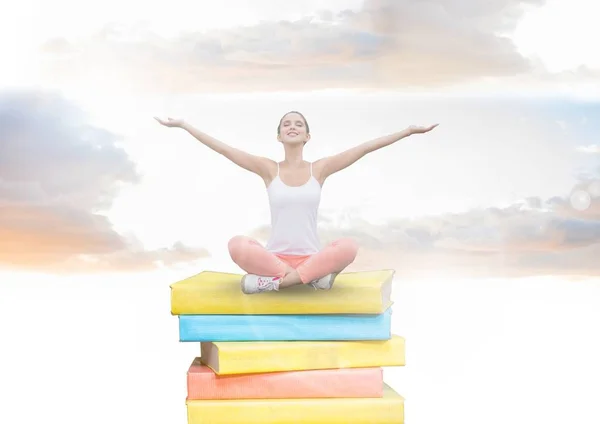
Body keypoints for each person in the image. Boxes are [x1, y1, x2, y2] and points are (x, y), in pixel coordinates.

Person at [155, 111, 438, 294]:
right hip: (273, 259)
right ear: (279, 136)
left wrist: (407, 132)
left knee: (349, 246)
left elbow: (364, 148)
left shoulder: (320, 169)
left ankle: (276, 285)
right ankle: (313, 279)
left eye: (298, 124)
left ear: (307, 136)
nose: (292, 127)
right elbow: (224, 149)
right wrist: (184, 125)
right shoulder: (268, 169)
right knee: (237, 244)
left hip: (310, 257)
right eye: (286, 124)